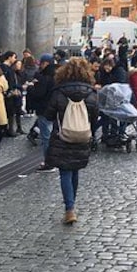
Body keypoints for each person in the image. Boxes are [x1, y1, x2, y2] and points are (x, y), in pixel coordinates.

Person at [43, 58, 99, 225]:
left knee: (65, 172)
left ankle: (69, 208)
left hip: (62, 136)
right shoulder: (91, 92)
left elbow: (49, 115)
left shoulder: (59, 92)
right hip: (82, 136)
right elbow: (95, 116)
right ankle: (71, 205)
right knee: (75, 170)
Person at [27, 54, 57, 172]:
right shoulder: (55, 75)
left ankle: (49, 162)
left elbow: (39, 93)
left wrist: (30, 87)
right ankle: (53, 160)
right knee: (51, 135)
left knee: (46, 137)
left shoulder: (43, 77)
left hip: (44, 109)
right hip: (53, 108)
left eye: (42, 63)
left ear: (46, 63)